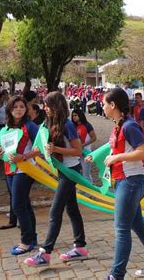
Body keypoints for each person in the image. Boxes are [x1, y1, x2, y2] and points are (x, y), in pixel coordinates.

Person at [90, 87, 144, 279]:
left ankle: (116, 275)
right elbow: (116, 148)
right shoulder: (120, 125)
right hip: (128, 182)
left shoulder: (129, 126)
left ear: (113, 105)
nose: (102, 106)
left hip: (131, 182)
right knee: (137, 223)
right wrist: (99, 156)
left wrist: (117, 158)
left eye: (104, 103)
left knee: (122, 229)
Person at [24, 92, 88, 267]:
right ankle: (80, 247)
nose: (45, 108)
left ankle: (45, 253)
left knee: (55, 211)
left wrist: (57, 149)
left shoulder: (67, 125)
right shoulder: (48, 123)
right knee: (72, 209)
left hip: (71, 171)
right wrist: (21, 157)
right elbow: (39, 148)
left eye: (47, 105)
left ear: (57, 106)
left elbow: (78, 150)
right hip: (62, 171)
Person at [0, 96, 39, 255]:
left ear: (26, 109)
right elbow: (2, 148)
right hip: (9, 169)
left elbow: (39, 149)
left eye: (21, 106)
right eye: (15, 107)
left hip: (25, 170)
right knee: (24, 204)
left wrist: (24, 156)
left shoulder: (30, 126)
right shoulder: (7, 126)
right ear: (10, 110)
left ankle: (26, 242)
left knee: (18, 205)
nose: (19, 109)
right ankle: (32, 238)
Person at [71, 109, 97, 182]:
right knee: (79, 174)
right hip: (76, 154)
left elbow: (94, 138)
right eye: (73, 116)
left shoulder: (87, 125)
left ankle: (89, 191)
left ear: (80, 115)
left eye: (76, 115)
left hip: (86, 153)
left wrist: (83, 145)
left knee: (86, 174)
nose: (74, 117)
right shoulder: (72, 126)